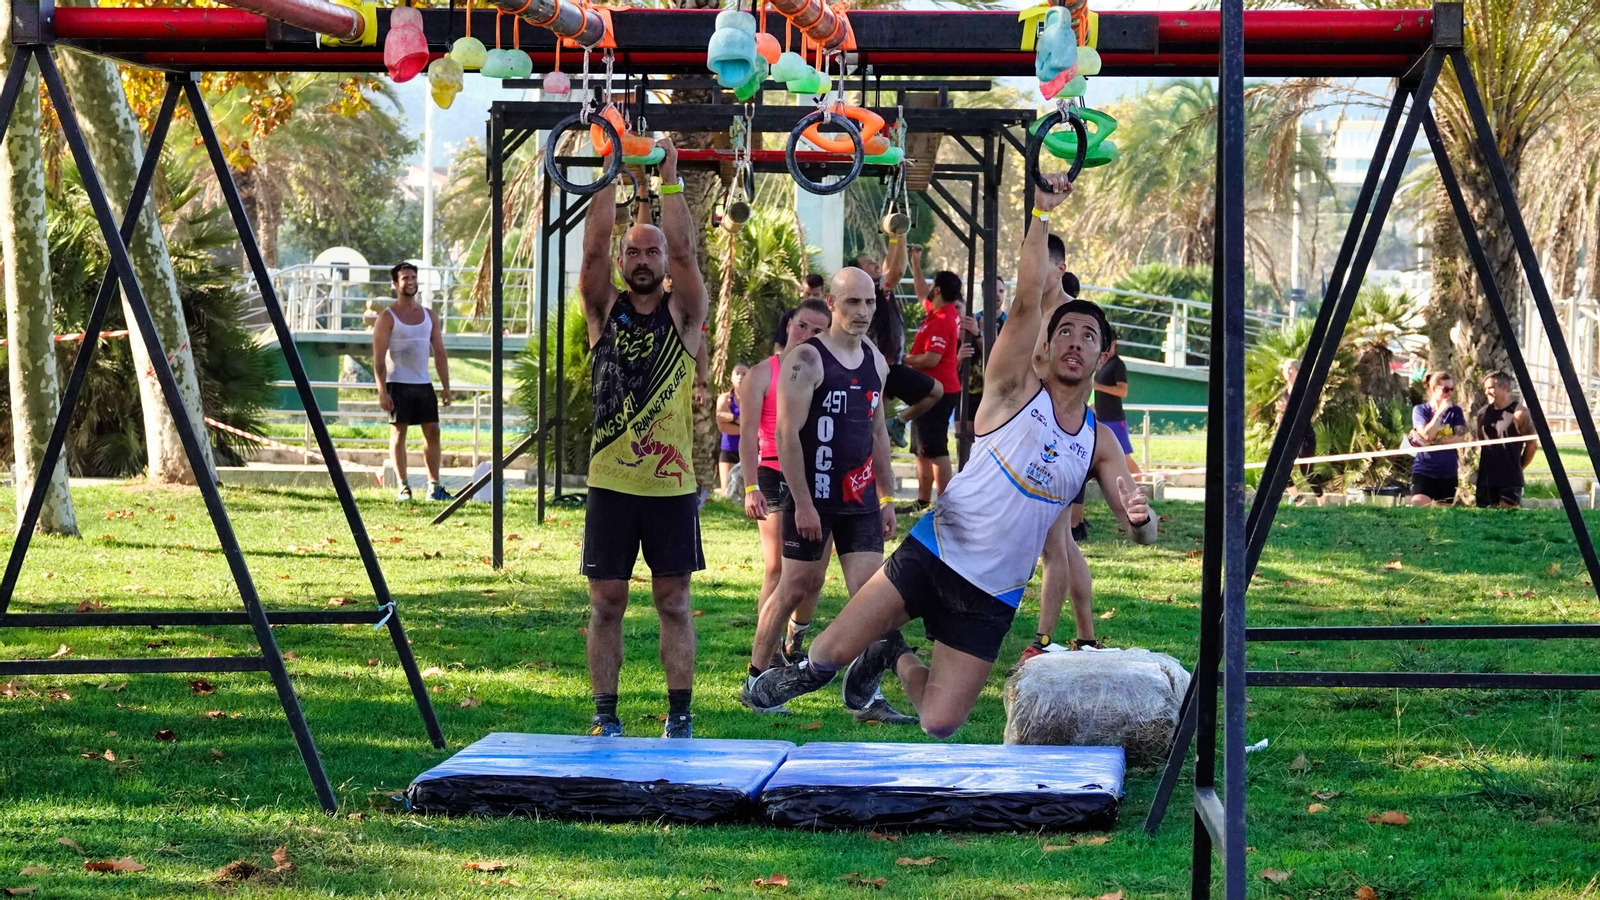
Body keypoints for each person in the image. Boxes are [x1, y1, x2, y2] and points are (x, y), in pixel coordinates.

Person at [745, 175, 1158, 739]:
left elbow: (1141, 535)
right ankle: (827, 663)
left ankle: (892, 656)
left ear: (1103, 353)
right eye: (1064, 331)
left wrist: (1141, 518)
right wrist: (1040, 213)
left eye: (1089, 336)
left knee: (940, 721)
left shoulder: (1099, 441)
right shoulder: (1013, 390)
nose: (1074, 341)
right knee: (826, 654)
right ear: (1044, 344)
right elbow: (1025, 299)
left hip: (993, 591)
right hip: (937, 551)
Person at [577, 139, 708, 739]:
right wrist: (608, 173)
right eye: (633, 251)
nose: (643, 259)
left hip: (669, 486)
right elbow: (592, 247)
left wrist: (670, 180)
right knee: (606, 602)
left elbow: (685, 250)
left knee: (673, 602)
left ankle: (679, 718)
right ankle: (606, 716)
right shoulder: (603, 309)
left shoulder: (684, 314)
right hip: (611, 484)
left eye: (651, 251)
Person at [742, 268, 913, 725]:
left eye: (869, 302)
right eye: (852, 302)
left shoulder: (876, 361)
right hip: (813, 496)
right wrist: (802, 502)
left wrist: (886, 498)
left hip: (859, 500)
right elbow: (786, 435)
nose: (862, 311)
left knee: (873, 597)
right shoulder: (807, 360)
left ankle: (866, 695)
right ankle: (757, 679)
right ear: (833, 305)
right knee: (795, 585)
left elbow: (878, 432)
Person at [741, 299, 832, 692]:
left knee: (814, 575)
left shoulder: (828, 371)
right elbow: (747, 434)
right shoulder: (763, 372)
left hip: (815, 475)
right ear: (789, 324)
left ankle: (796, 638)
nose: (807, 336)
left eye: (818, 331)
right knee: (776, 568)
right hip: (773, 472)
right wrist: (750, 487)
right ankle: (768, 651)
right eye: (802, 326)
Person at [373, 262, 452, 503]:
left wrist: (446, 387)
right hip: (398, 384)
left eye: (413, 277)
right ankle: (403, 487)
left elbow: (440, 353)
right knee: (399, 434)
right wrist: (382, 391)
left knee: (433, 431)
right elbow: (378, 360)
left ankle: (434, 487)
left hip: (423, 384)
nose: (411, 282)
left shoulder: (429, 316)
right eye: (405, 278)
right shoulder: (387, 317)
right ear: (395, 284)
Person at [863, 245, 944, 455]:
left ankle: (878, 454)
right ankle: (898, 422)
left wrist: (894, 238)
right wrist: (901, 235)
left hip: (886, 365)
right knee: (936, 391)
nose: (875, 263)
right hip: (887, 366)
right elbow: (897, 270)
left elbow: (890, 266)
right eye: (869, 263)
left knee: (876, 424)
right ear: (861, 273)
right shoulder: (874, 288)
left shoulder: (879, 287)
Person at [905, 271, 965, 504]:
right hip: (927, 389)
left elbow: (931, 359)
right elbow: (922, 294)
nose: (929, 288)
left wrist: (903, 359)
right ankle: (922, 501)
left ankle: (944, 503)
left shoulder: (942, 320)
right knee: (922, 447)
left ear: (938, 289)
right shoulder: (938, 311)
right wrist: (915, 264)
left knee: (936, 448)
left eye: (933, 284)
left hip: (939, 391)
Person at [1407, 370, 1468, 507]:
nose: (1450, 393)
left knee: (1443, 514)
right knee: (1418, 507)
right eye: (1446, 390)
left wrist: (1435, 442)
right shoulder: (1420, 410)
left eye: (1452, 389)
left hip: (1448, 471)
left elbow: (1459, 438)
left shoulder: (1456, 411)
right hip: (1424, 469)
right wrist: (1440, 411)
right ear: (1434, 389)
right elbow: (1427, 434)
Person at [1475, 372, 1536, 508]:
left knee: (1508, 517)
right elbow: (1481, 440)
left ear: (1504, 387)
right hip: (1486, 478)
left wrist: (1518, 467)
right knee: (1484, 517)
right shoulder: (1482, 414)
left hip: (1510, 479)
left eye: (1490, 388)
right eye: (1485, 389)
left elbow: (1532, 445)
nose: (1486, 392)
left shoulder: (1519, 413)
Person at [1275, 358, 1324, 505]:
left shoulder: (1303, 390)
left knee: (1306, 471)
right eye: (1285, 368)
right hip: (1289, 435)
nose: (1288, 372)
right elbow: (1287, 415)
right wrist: (1281, 417)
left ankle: (1322, 503)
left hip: (1304, 435)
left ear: (1298, 371)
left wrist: (1286, 409)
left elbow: (1302, 412)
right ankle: (1297, 499)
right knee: (1279, 467)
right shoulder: (1284, 392)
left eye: (1291, 368)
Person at [1093, 334, 1140, 476]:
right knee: (1097, 454)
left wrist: (1098, 387)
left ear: (1113, 343)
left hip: (1114, 419)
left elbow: (1122, 391)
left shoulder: (1118, 364)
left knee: (1124, 457)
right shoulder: (1101, 363)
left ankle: (1142, 482)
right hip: (1100, 418)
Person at [716, 365, 749, 495]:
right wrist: (741, 421)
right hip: (729, 449)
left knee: (748, 491)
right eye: (737, 373)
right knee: (727, 493)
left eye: (744, 374)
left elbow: (758, 424)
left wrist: (730, 418)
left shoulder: (755, 398)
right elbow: (722, 426)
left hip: (749, 450)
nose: (740, 377)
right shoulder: (725, 399)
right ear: (731, 378)